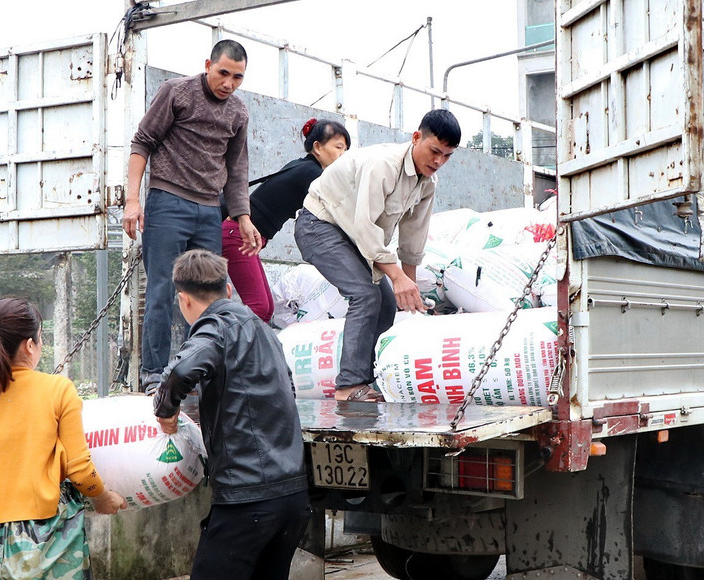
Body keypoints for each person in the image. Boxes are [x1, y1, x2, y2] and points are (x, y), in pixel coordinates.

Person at [153, 249, 310, 580]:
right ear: (227, 290)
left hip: (247, 502)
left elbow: (182, 370)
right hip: (292, 501)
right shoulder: (264, 330)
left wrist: (167, 410)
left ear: (183, 299)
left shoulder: (216, 327)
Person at [0, 297, 127, 580]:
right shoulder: (57, 390)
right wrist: (102, 497)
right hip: (50, 538)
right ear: (30, 345)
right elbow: (80, 468)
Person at [122, 39, 262, 394]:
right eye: (223, 73)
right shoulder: (177, 92)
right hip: (168, 201)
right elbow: (142, 143)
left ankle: (194, 370)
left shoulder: (239, 113)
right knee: (162, 289)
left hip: (208, 210)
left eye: (238, 77)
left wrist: (243, 217)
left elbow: (237, 168)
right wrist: (132, 200)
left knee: (209, 294)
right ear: (208, 65)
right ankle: (154, 375)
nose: (229, 83)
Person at [294, 108, 461, 401]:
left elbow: (413, 237)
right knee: (365, 295)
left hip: (351, 235)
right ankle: (349, 386)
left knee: (386, 303)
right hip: (318, 225)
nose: (439, 161)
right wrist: (395, 276)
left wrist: (409, 289)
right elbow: (365, 226)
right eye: (435, 151)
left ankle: (370, 379)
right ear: (416, 137)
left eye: (447, 156)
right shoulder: (383, 164)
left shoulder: (427, 183)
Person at [222, 118, 351, 322]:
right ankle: (226, 346)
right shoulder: (312, 174)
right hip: (238, 235)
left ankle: (241, 349)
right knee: (259, 307)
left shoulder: (301, 167)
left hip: (243, 236)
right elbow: (338, 211)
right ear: (317, 147)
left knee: (266, 308)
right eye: (338, 147)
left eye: (345, 150)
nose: (343, 155)